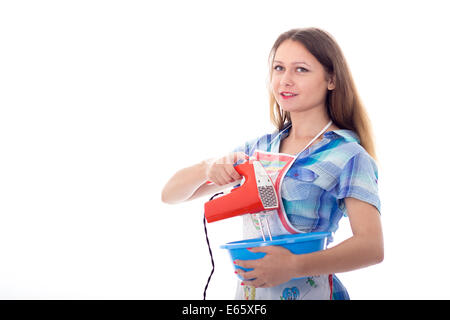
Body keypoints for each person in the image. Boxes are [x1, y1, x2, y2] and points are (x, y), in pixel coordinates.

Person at [161, 27, 383, 300]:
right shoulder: (258, 150)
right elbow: (170, 195)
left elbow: (371, 247)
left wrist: (294, 265)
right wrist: (207, 168)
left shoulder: (347, 154)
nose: (285, 81)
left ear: (331, 79)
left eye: (300, 70)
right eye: (279, 68)